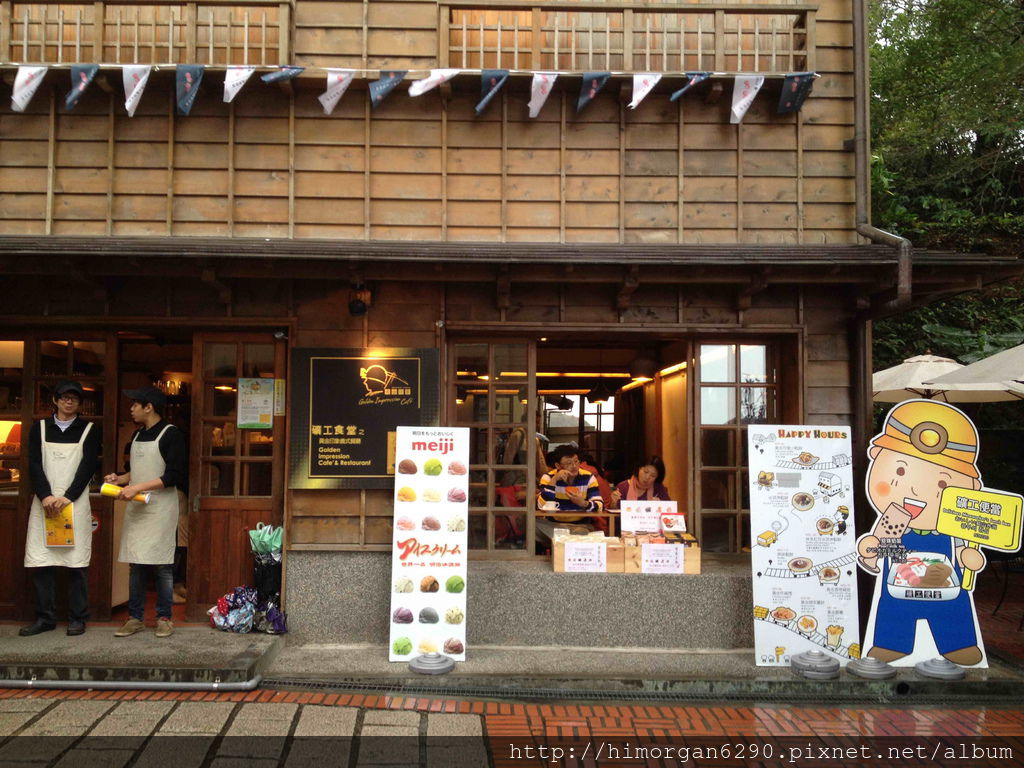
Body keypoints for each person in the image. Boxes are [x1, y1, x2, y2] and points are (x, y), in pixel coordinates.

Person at [856, 400, 987, 666]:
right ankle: (892, 643)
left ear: (971, 486)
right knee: (893, 610)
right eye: (900, 470)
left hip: (947, 589)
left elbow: (964, 553)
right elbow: (873, 554)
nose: (915, 490)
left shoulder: (955, 524)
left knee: (954, 609)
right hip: (897, 587)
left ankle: (958, 643)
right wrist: (870, 549)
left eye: (942, 482)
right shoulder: (890, 522)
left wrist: (970, 557)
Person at [104, 387, 187, 638]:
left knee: (162, 565)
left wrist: (136, 487)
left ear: (149, 407)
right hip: (138, 506)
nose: (131, 409)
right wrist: (121, 478)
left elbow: (173, 475)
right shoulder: (138, 433)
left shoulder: (171, 434)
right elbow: (137, 471)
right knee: (136, 565)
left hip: (160, 508)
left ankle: (164, 618)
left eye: (135, 404)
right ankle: (135, 617)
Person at [20, 381, 101, 637]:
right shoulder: (39, 428)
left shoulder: (89, 429)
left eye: (74, 399)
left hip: (73, 504)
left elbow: (88, 466)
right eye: (64, 397)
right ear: (55, 400)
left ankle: (78, 618)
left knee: (76, 564)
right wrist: (45, 496)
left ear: (80, 403)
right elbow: (33, 464)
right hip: (44, 504)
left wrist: (67, 496)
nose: (69, 402)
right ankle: (45, 617)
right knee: (42, 564)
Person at [537, 444, 604, 523]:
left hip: (582, 523)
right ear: (558, 465)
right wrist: (554, 480)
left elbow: (600, 506)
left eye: (576, 461)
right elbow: (541, 505)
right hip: (553, 523)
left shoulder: (588, 477)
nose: (574, 466)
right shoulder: (548, 477)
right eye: (569, 463)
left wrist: (583, 503)